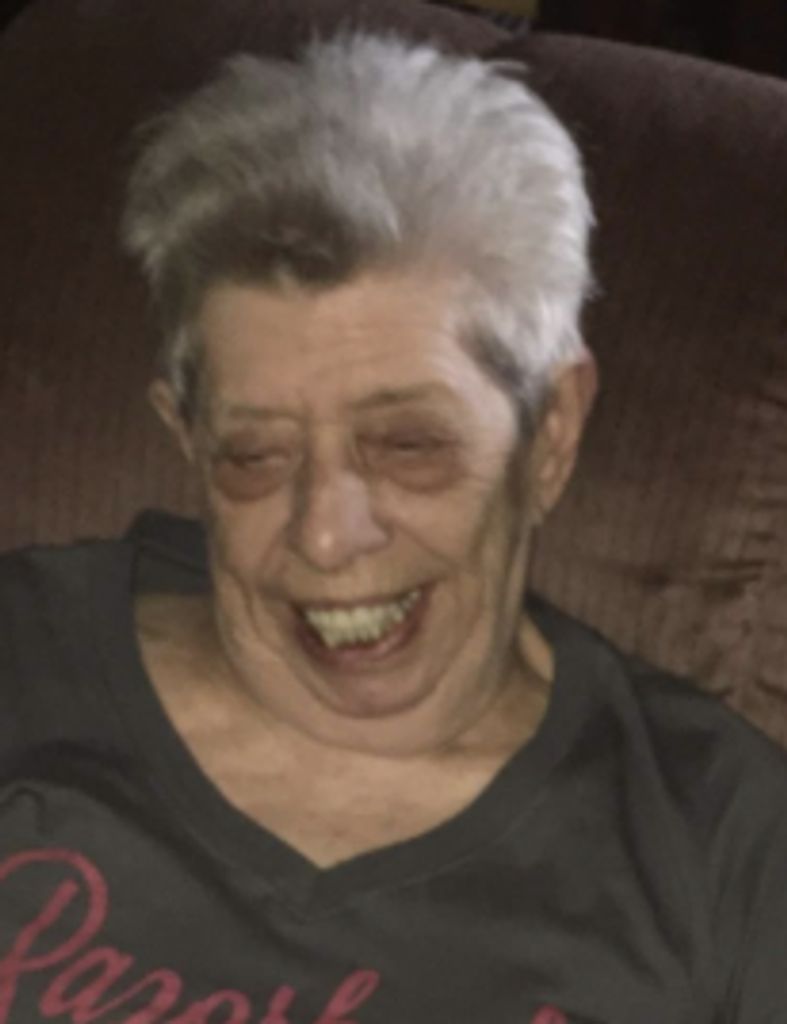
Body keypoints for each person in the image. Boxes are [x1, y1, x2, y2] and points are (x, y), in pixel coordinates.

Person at [0, 30, 785, 1024]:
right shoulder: (24, 658)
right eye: (254, 455)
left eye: (408, 445)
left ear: (550, 433)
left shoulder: (719, 840)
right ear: (186, 439)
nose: (326, 538)